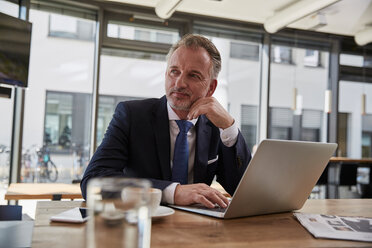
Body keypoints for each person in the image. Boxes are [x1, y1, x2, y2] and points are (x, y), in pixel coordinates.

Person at [81, 34, 251, 208]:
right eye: (174, 71)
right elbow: (93, 181)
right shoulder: (132, 115)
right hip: (143, 222)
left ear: (211, 87)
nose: (179, 82)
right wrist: (172, 192)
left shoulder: (216, 127)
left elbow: (246, 192)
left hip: (197, 228)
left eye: (193, 75)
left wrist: (229, 127)